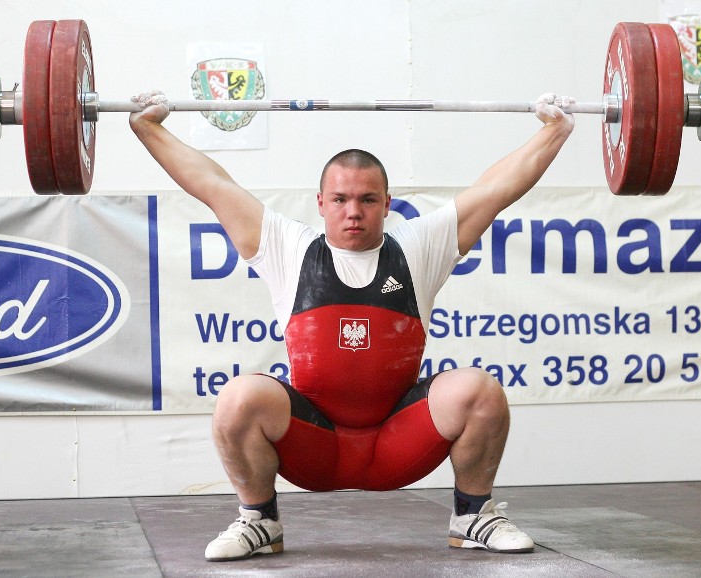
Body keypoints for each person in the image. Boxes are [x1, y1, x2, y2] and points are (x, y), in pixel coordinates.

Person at [130, 91, 575, 562]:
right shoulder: (288, 246)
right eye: (340, 199)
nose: (353, 212)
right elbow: (211, 183)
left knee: (479, 390)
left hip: (397, 441)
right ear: (321, 202)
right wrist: (149, 129)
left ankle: (472, 516)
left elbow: (495, 189)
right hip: (312, 443)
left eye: (367, 199)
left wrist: (555, 131)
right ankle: (258, 520)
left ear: (387, 203)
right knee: (239, 398)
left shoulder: (418, 245)